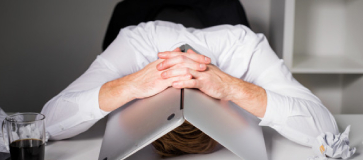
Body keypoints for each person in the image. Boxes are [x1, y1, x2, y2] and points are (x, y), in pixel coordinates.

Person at [41, 21, 339, 157]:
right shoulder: (134, 43)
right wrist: (132, 84)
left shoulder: (246, 47)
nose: (185, 81)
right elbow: (46, 125)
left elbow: (326, 131)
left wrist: (233, 87)